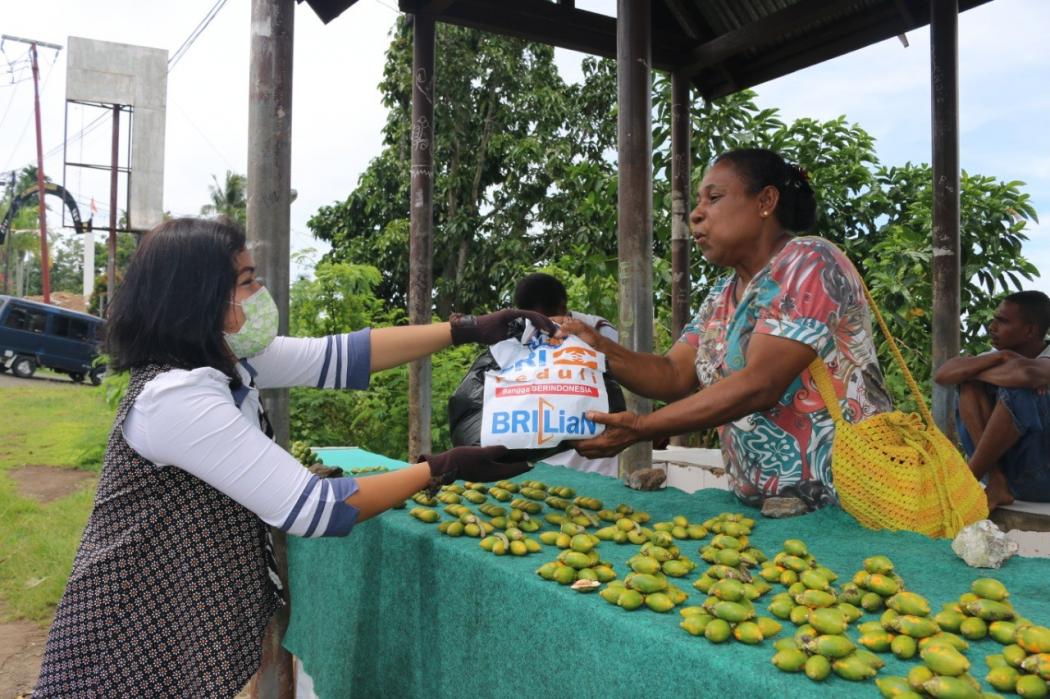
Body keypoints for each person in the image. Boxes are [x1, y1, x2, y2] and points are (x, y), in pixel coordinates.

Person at [33, 218, 553, 698]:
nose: (260, 294)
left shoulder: (226, 358)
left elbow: (340, 355)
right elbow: (312, 508)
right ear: (195, 297)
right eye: (245, 281)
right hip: (123, 646)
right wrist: (442, 468)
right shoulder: (176, 397)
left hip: (169, 632)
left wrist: (470, 329)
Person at [558, 147, 892, 508]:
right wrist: (598, 346)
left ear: (765, 201)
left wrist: (642, 427)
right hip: (769, 511)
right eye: (697, 203)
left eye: (714, 198)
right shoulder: (722, 295)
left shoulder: (810, 261)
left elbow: (759, 384)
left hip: (846, 507)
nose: (696, 215)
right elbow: (672, 375)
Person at [934, 290, 1050, 510]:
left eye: (1002, 321)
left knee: (1019, 389)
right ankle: (995, 480)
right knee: (970, 385)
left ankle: (967, 481)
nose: (992, 327)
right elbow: (943, 374)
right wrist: (1000, 356)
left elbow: (1026, 375)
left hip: (1042, 477)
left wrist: (973, 371)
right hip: (1006, 477)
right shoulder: (994, 356)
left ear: (1030, 330)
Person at [512, 272, 620, 476]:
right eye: (533, 319)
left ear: (563, 307)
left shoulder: (599, 330)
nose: (544, 325)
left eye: (549, 316)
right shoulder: (518, 333)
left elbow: (624, 378)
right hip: (538, 450)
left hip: (591, 455)